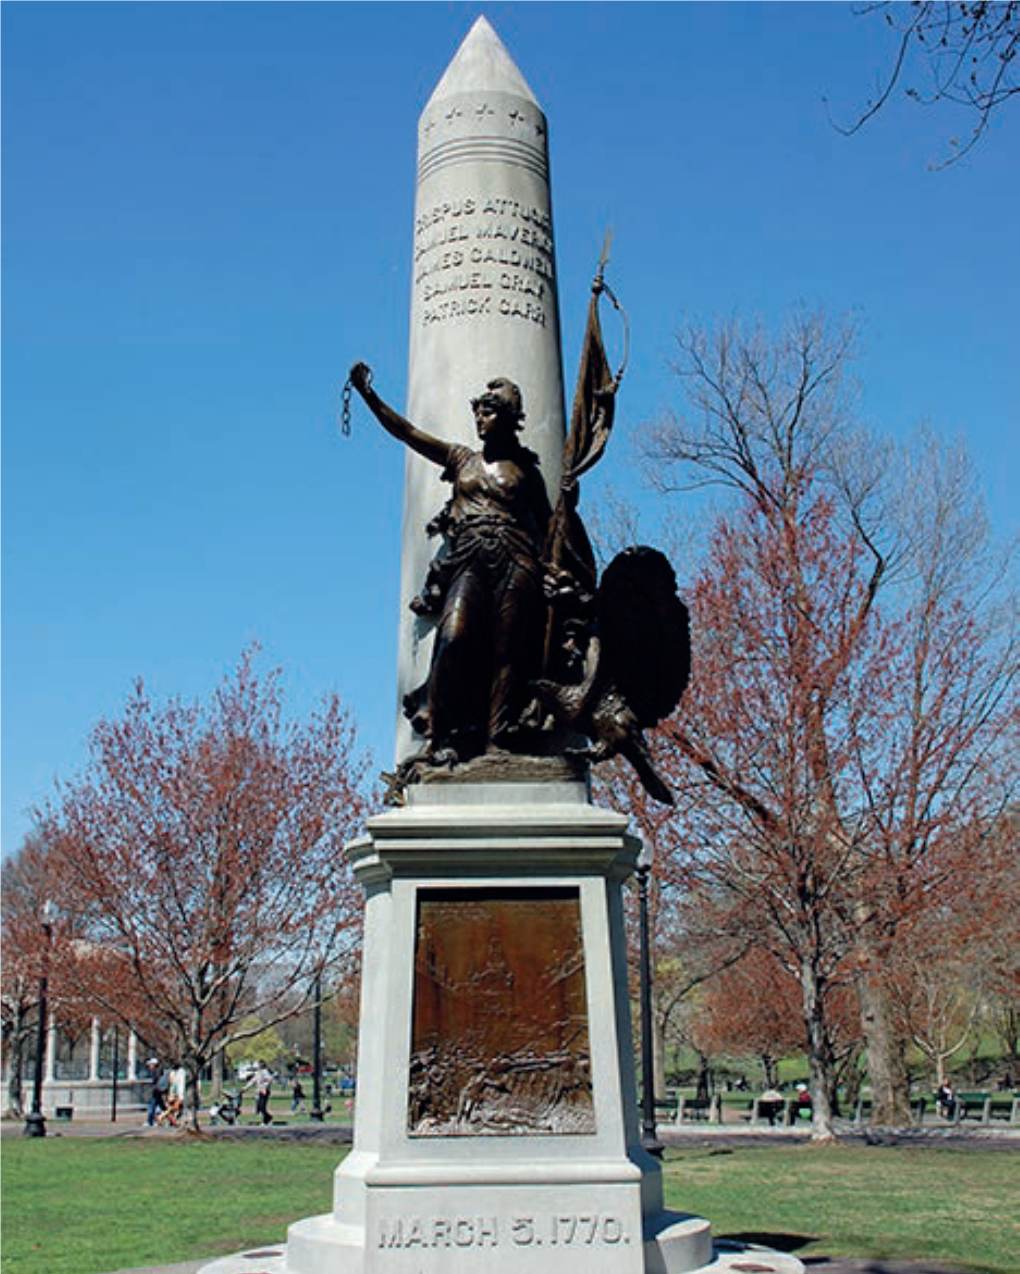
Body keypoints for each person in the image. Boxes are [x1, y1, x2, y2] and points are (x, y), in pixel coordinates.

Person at [348, 364, 553, 765]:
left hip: (516, 560)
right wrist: (370, 397)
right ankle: (436, 737)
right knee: (453, 639)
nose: (479, 418)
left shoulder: (527, 471)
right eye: (477, 411)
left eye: (488, 411)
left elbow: (549, 527)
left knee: (508, 653)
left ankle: (498, 739)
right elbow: (408, 433)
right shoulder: (461, 460)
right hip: (470, 560)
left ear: (509, 418)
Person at [145, 1058, 167, 1128]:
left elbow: (156, 1082)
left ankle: (150, 1122)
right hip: (157, 1092)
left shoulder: (156, 1073)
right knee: (162, 1107)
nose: (149, 1066)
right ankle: (168, 1119)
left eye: (151, 1065)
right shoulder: (156, 1072)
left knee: (152, 1107)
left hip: (156, 1092)